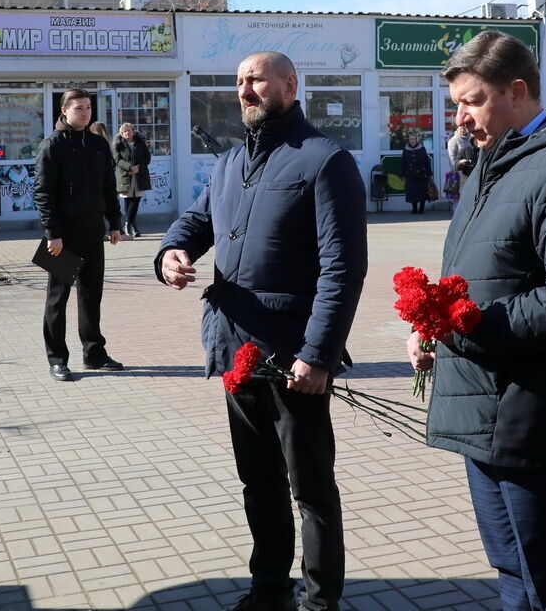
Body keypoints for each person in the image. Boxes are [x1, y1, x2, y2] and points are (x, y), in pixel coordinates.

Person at [406, 30, 546, 611]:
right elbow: (480, 273)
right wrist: (433, 325)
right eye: (456, 105)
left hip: (533, 413)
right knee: (513, 571)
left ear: (517, 91)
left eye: (472, 101)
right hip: (486, 405)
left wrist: (471, 325)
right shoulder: (491, 164)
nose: (460, 118)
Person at [157, 51, 367, 611]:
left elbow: (343, 267)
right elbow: (195, 221)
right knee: (259, 484)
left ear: (291, 85)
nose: (245, 89)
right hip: (234, 347)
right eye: (239, 82)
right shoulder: (229, 162)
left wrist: (318, 354)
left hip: (293, 357)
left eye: (256, 79)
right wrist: (171, 253)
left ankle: (321, 601)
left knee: (311, 491)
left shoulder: (325, 162)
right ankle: (268, 589)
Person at [33, 88, 124, 382]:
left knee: (91, 297)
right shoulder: (52, 145)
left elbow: (108, 187)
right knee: (57, 301)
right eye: (79, 108)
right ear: (64, 112)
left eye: (88, 108)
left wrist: (114, 222)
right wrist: (52, 233)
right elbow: (43, 194)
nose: (85, 113)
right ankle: (57, 359)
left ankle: (94, 353)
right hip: (62, 238)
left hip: (93, 233)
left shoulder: (97, 144)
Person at [113, 121, 152, 238]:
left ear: (133, 132)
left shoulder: (141, 143)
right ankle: (132, 226)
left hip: (140, 175)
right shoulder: (119, 145)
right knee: (128, 200)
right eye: (124, 131)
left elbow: (147, 158)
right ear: (121, 133)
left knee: (136, 200)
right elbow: (117, 160)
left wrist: (138, 167)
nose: (126, 133)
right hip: (126, 176)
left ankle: (128, 224)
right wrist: (129, 167)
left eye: (129, 130)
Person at [401, 129, 433, 214]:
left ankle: (421, 209)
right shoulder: (406, 149)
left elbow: (426, 161)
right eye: (410, 139)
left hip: (421, 174)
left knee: (422, 192)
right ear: (409, 140)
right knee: (412, 193)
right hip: (410, 175)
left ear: (416, 139)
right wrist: (403, 175)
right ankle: (414, 209)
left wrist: (429, 173)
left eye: (413, 139)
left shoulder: (422, 148)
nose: (412, 140)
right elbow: (403, 163)